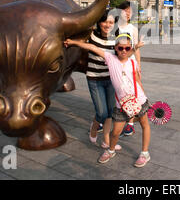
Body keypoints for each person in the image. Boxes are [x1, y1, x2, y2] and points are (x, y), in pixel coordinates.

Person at [65, 34, 151, 167]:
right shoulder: (110, 58)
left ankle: (145, 153)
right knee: (115, 132)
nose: (123, 50)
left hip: (138, 99)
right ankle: (111, 150)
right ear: (115, 48)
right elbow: (91, 47)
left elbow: (137, 80)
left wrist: (144, 97)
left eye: (127, 48)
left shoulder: (132, 62)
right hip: (121, 104)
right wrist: (72, 41)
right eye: (120, 47)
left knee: (144, 125)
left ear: (130, 49)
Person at [83, 10, 118, 150]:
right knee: (102, 113)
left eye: (110, 22)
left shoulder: (116, 38)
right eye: (105, 21)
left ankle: (106, 141)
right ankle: (94, 128)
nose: (107, 25)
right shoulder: (91, 36)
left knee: (110, 112)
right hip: (95, 79)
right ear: (99, 22)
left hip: (110, 80)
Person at [115, 1, 141, 136]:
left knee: (131, 92)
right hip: (116, 64)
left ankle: (130, 123)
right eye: (125, 10)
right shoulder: (113, 27)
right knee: (116, 91)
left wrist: (138, 66)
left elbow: (136, 49)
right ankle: (109, 119)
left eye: (130, 11)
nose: (128, 13)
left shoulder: (133, 29)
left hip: (130, 64)